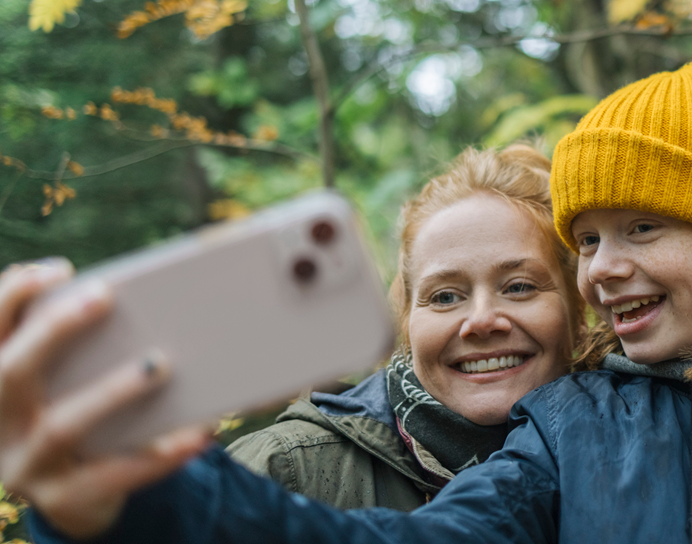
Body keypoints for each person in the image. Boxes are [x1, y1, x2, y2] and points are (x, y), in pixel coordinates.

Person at [0, 63, 692, 543]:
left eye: (642, 229)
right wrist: (137, 505)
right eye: (584, 241)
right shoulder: (571, 434)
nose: (602, 268)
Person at [224, 144, 585, 510]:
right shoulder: (282, 475)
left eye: (519, 287)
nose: (481, 321)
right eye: (445, 297)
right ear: (407, 319)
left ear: (578, 306)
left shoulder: (628, 452)